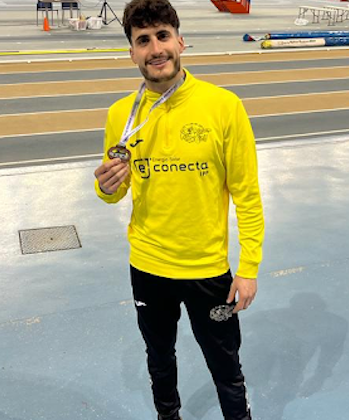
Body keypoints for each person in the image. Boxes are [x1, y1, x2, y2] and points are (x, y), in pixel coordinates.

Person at [93, 1, 264, 419]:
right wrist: (105, 188)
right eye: (143, 41)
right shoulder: (121, 115)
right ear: (132, 53)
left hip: (207, 269)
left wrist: (249, 266)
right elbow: (115, 191)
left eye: (163, 36)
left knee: (226, 366)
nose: (155, 49)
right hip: (148, 265)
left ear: (180, 41)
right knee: (159, 360)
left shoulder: (223, 106)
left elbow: (247, 194)